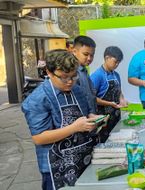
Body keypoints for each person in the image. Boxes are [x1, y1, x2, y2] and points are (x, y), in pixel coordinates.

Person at [22, 49, 106, 190]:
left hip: (82, 158)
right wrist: (74, 127)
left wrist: (92, 119)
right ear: (49, 72)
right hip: (56, 166)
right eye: (64, 77)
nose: (69, 82)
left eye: (74, 76)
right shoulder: (37, 100)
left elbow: (83, 116)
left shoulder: (77, 90)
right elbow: (39, 138)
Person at [90, 46, 128, 142]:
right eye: (115, 61)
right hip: (103, 117)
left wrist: (122, 99)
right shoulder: (97, 75)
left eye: (119, 62)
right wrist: (110, 103)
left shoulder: (116, 75)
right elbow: (92, 98)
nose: (117, 64)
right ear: (107, 58)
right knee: (105, 141)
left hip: (115, 114)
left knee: (116, 139)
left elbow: (119, 91)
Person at [72, 35, 97, 114]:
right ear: (75, 52)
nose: (89, 58)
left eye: (92, 55)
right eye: (85, 54)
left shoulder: (84, 70)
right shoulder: (73, 73)